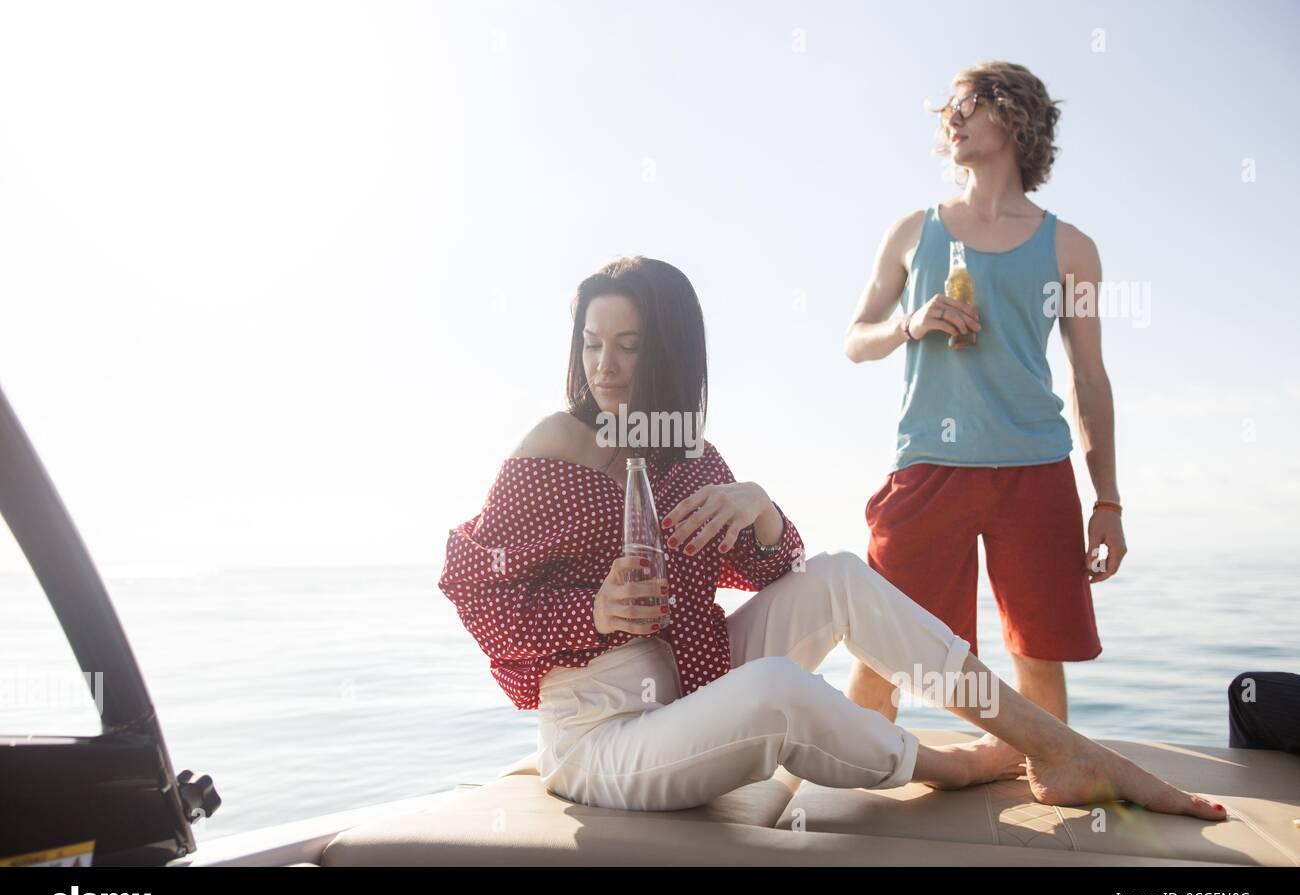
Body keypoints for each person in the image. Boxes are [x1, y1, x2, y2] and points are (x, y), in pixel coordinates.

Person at [438, 254, 1225, 821]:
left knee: (842, 574)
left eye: (628, 344)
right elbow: (476, 591)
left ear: (669, 349)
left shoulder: (690, 453)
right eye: (591, 343)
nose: (604, 366)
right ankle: (945, 766)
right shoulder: (553, 449)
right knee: (778, 691)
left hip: (692, 682)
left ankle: (1051, 743)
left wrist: (763, 509)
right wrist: (596, 615)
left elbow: (776, 568)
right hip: (598, 733)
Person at [843, 61, 1121, 733]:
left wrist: (1107, 500)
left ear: (1013, 113)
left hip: (1035, 467)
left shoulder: (1073, 249)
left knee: (1039, 653)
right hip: (928, 465)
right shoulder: (914, 232)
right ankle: (841, 786)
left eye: (967, 104)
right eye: (948, 112)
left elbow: (1089, 376)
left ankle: (1054, 782)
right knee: (886, 652)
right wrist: (909, 323)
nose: (953, 119)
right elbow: (855, 339)